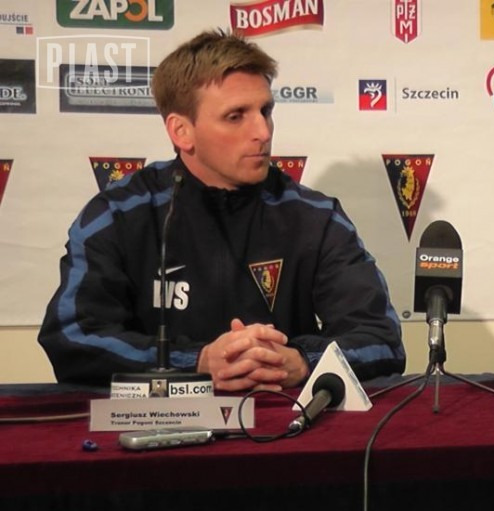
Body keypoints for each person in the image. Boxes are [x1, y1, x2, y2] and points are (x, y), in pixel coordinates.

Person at [39, 30, 405, 390]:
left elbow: (380, 339)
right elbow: (71, 338)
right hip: (156, 423)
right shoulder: (118, 215)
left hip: (283, 418)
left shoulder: (316, 217)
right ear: (181, 131)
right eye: (236, 116)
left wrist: (299, 360)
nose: (262, 132)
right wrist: (197, 362)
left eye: (265, 111)